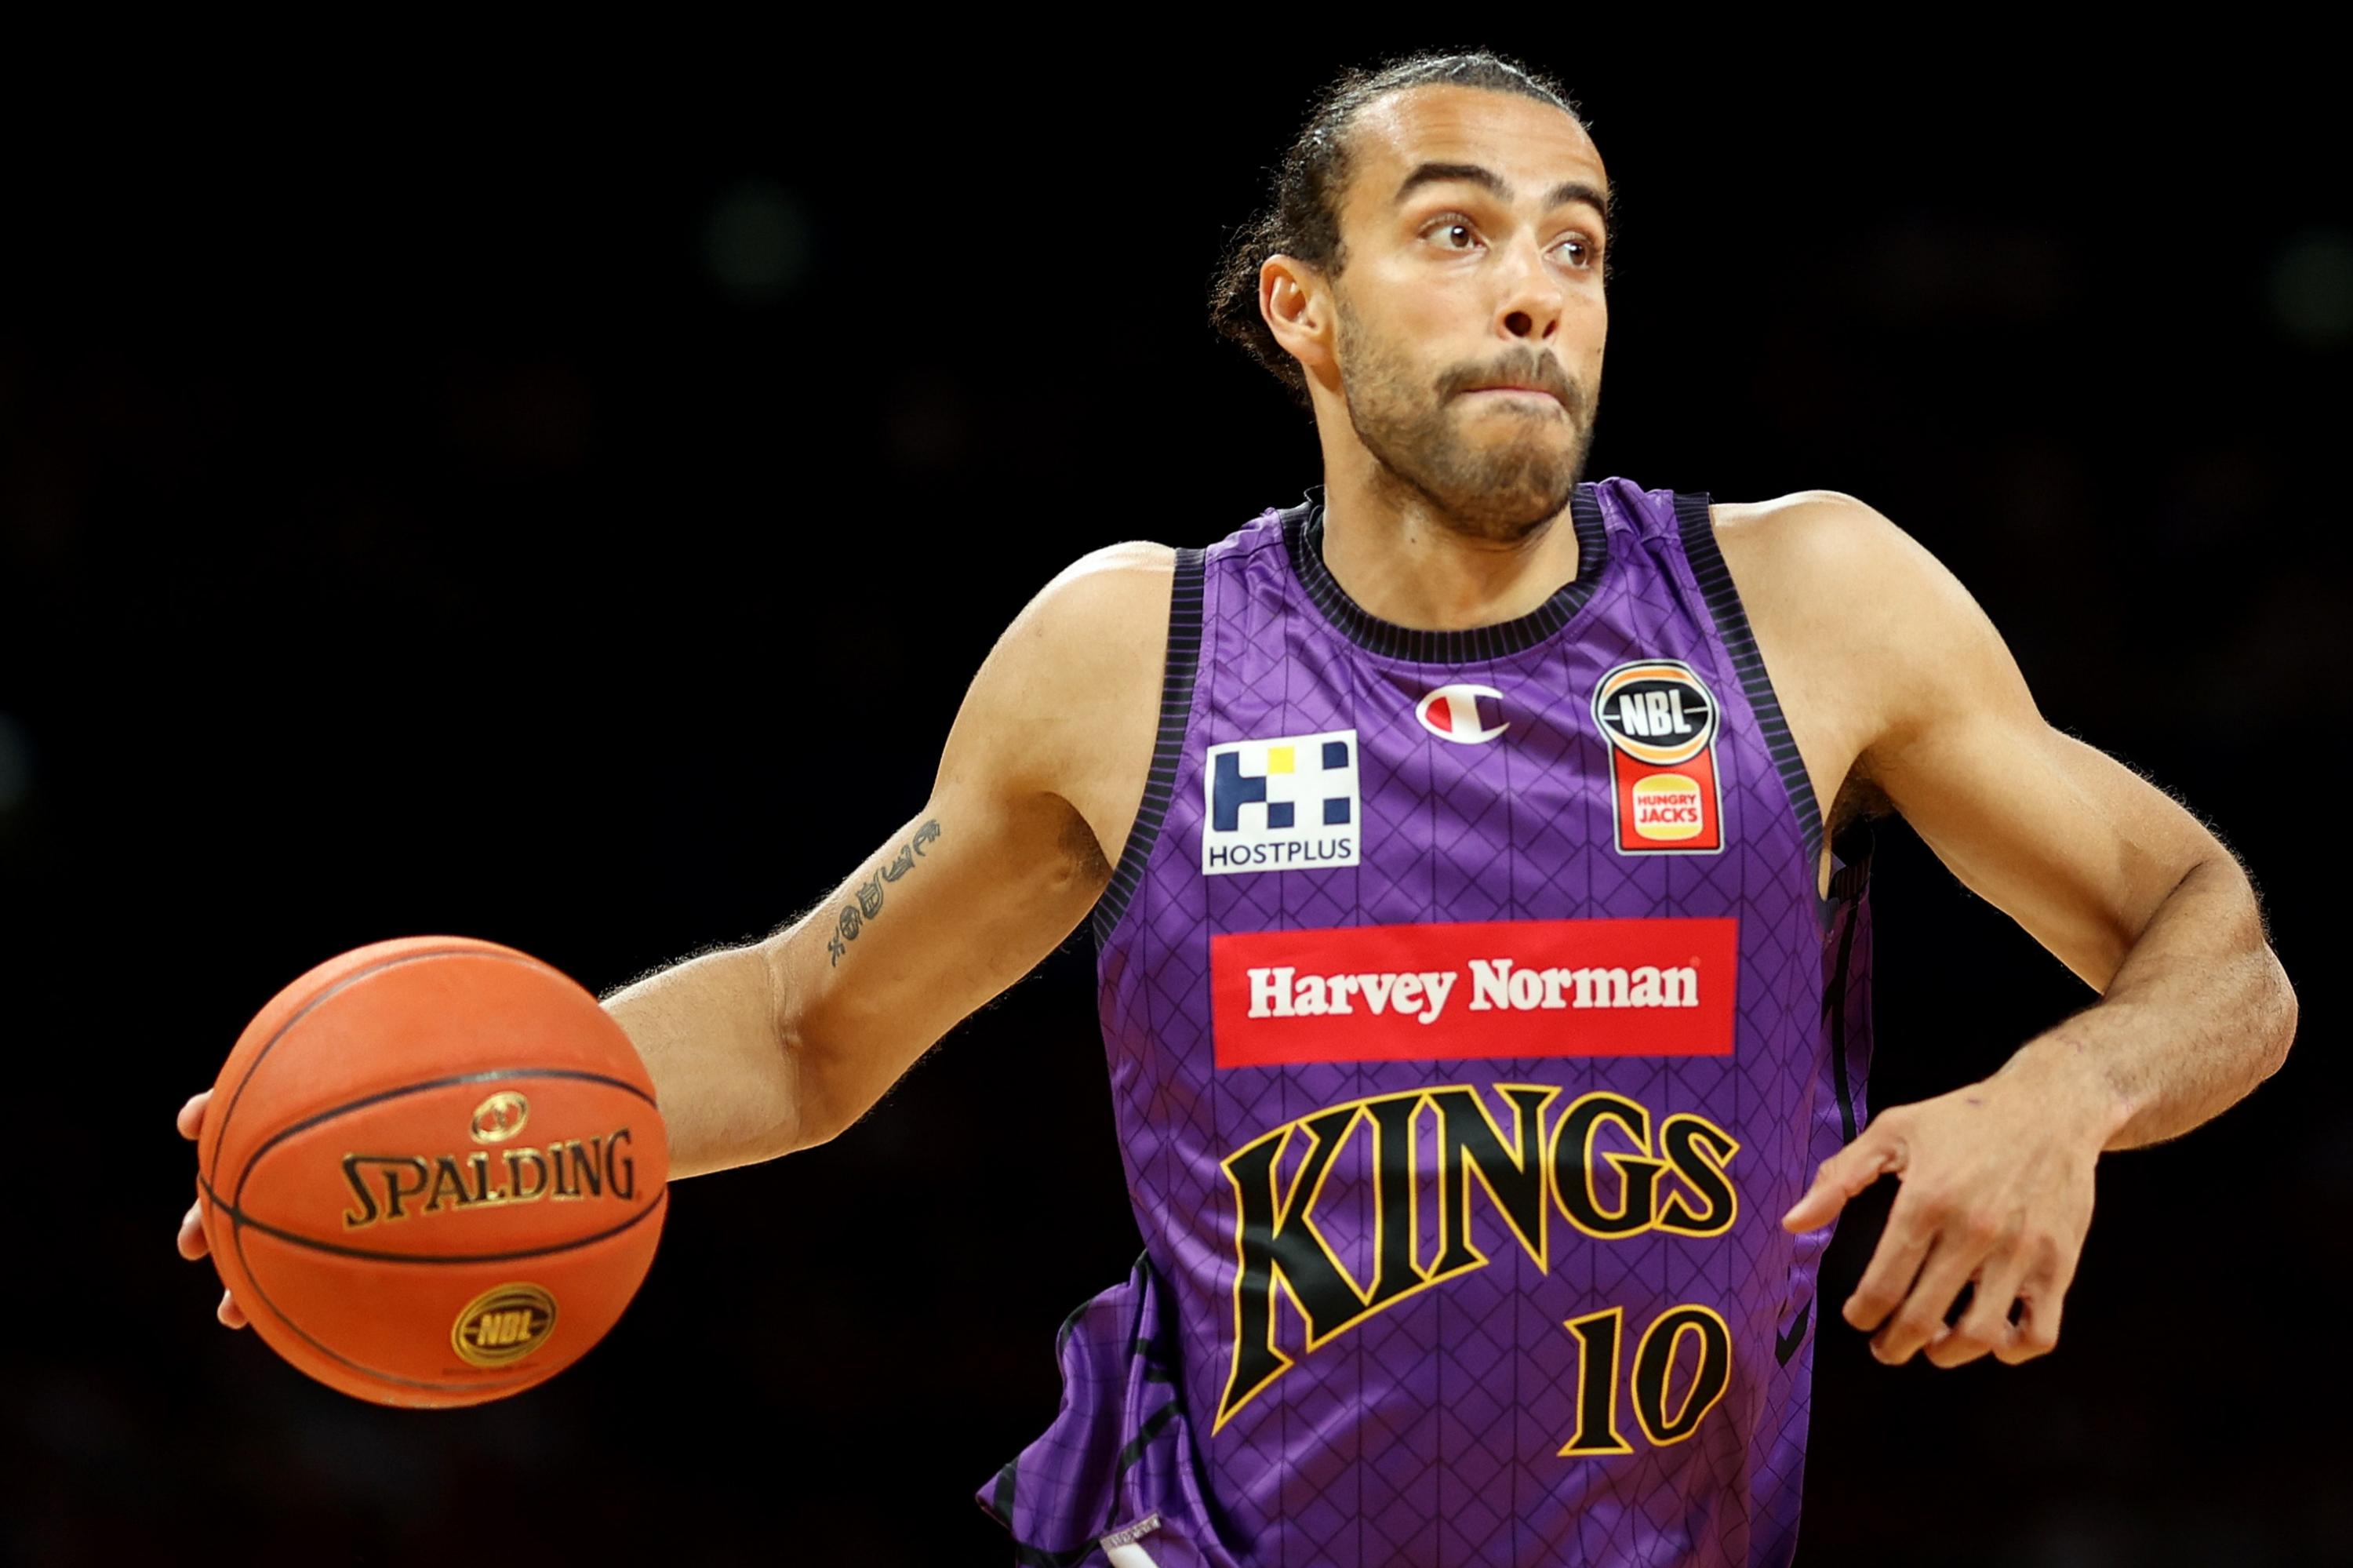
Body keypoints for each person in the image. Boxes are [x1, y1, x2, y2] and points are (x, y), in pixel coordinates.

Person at [175, 50, 2297, 1568]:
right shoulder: (1140, 653)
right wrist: (448, 1126)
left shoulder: (1804, 603)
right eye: (1454, 233)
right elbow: (806, 1032)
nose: (1535, 288)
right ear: (1302, 307)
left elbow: (2215, 940)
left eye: (1579, 243)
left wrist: (2063, 1097)